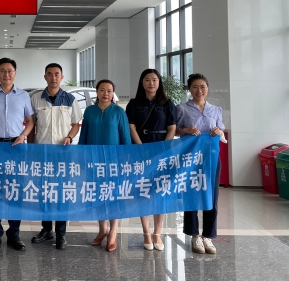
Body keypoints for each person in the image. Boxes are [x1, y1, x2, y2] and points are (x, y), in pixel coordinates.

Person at [0, 57, 34, 252]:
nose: (6, 74)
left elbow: (30, 121)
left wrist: (23, 135)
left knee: (15, 190)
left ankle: (14, 234)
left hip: (15, 147)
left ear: (15, 73)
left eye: (10, 71)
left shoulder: (24, 96)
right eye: (2, 70)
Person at [29, 63, 82, 250]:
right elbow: (31, 125)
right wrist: (30, 149)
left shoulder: (70, 99)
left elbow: (76, 124)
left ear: (61, 77)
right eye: (50, 74)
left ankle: (61, 233)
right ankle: (46, 230)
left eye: (56, 74)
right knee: (44, 192)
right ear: (45, 77)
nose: (53, 77)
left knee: (61, 193)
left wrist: (70, 137)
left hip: (63, 154)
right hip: (41, 152)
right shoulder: (35, 99)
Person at [75, 79, 130, 252]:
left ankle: (113, 232)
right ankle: (102, 229)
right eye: (102, 90)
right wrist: (81, 157)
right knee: (98, 195)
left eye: (109, 90)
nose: (106, 93)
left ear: (113, 93)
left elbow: (126, 139)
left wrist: (125, 160)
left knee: (113, 196)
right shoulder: (89, 111)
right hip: (93, 161)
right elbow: (83, 136)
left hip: (114, 162)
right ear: (97, 92)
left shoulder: (119, 112)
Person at [126, 68, 176, 252]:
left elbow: (172, 128)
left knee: (160, 192)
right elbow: (131, 127)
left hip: (161, 151)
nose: (151, 83)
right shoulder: (134, 103)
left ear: (159, 82)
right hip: (140, 151)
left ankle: (157, 232)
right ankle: (146, 232)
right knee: (144, 191)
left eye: (154, 79)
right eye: (147, 79)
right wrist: (141, 148)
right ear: (142, 82)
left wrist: (163, 149)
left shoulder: (167, 103)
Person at [176, 73, 224, 255]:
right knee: (192, 195)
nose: (199, 90)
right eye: (195, 87)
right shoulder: (182, 109)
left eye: (202, 87)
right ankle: (194, 234)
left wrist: (219, 132)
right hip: (191, 158)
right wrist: (186, 130)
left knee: (212, 195)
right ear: (189, 89)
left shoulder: (216, 110)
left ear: (207, 88)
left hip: (211, 157)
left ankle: (208, 235)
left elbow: (222, 133)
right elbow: (175, 131)